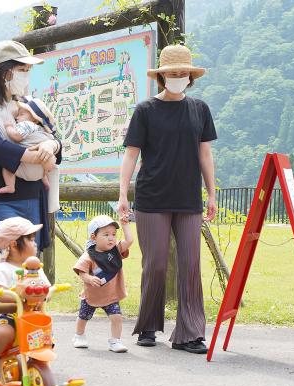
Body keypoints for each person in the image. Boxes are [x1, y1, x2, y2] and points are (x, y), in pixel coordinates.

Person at [118, 44, 217, 353]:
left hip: (188, 198)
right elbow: (131, 154)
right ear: (162, 76)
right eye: (172, 73)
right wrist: (122, 193)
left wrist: (212, 193)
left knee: (190, 264)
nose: (178, 77)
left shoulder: (199, 109)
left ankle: (190, 333)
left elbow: (205, 153)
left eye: (183, 73)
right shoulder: (146, 110)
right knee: (156, 264)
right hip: (151, 198)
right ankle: (147, 327)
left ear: (190, 76)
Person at [0, 40, 62, 262]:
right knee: (12, 259)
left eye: (28, 71)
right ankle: (10, 297)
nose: (26, 76)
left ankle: (29, 297)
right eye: (22, 70)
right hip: (1, 200)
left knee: (31, 261)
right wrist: (37, 156)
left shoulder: (29, 105)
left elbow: (53, 136)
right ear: (4, 72)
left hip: (33, 196)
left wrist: (51, 146)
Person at [0, 217, 50, 381]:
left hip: (30, 315)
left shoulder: (35, 269)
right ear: (13, 244)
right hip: (5, 316)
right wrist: (16, 297)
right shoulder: (2, 268)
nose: (35, 244)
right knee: (5, 331)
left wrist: (48, 293)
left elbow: (45, 288)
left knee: (44, 331)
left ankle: (38, 364)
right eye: (31, 240)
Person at [72, 215, 133, 353]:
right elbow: (81, 272)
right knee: (83, 317)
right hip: (91, 296)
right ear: (93, 237)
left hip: (111, 296)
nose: (111, 238)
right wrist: (89, 278)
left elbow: (129, 240)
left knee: (117, 317)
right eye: (106, 234)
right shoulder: (89, 256)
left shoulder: (116, 251)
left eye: (113, 234)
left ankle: (115, 341)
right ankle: (79, 336)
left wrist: (125, 225)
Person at [0, 99, 58, 195]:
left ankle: (10, 186)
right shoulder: (43, 130)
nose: (17, 117)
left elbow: (16, 136)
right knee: (44, 156)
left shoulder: (27, 124)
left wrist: (8, 126)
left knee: (7, 163)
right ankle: (45, 179)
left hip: (25, 166)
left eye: (21, 114)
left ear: (35, 119)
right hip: (40, 171)